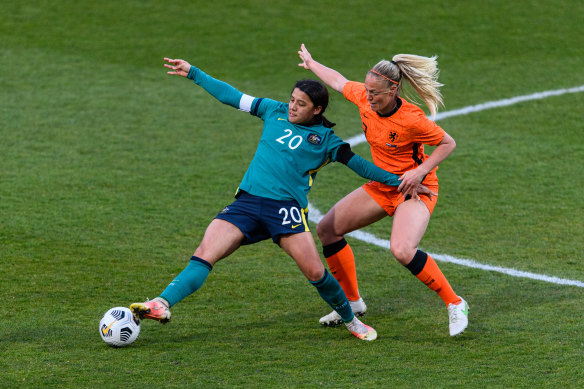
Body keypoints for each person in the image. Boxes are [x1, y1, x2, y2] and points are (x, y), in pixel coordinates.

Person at [130, 57, 433, 341]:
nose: (292, 107)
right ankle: (160, 302)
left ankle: (352, 321)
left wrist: (405, 180)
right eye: (292, 100)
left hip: (285, 212)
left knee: (315, 272)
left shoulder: (326, 141)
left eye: (301, 104)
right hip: (246, 204)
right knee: (204, 253)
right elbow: (231, 96)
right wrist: (194, 73)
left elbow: (362, 167)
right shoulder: (271, 110)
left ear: (317, 110)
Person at [297, 44, 469, 336]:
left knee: (402, 250)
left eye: (375, 92)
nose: (368, 96)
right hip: (383, 186)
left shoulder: (412, 119)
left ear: (393, 90)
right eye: (366, 90)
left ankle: (455, 303)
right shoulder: (365, 98)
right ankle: (353, 303)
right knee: (327, 229)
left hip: (416, 189)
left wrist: (419, 172)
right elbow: (339, 82)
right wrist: (313, 64)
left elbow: (447, 143)